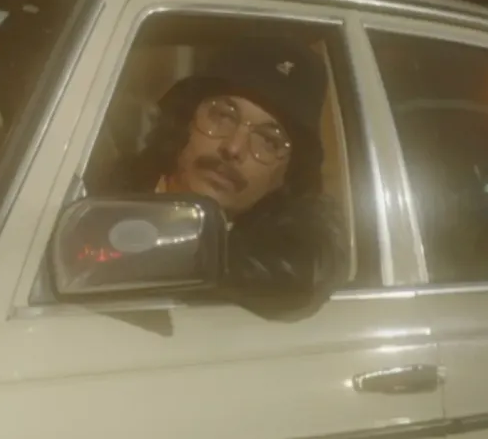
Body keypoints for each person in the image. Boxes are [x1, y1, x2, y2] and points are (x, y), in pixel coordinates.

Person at [101, 37, 350, 314]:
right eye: (223, 116)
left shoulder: (283, 262)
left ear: (287, 173)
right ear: (184, 119)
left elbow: (302, 274)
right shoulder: (102, 193)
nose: (233, 148)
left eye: (268, 141)